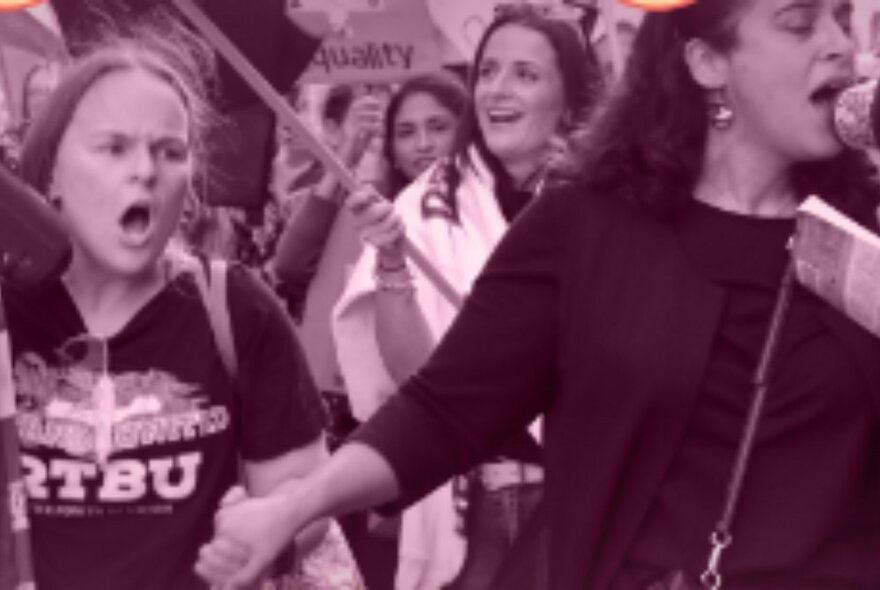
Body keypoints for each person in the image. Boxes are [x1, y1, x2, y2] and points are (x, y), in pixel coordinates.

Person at [198, 0, 880, 588]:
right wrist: (292, 508)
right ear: (707, 64)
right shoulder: (586, 227)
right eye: (800, 23)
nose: (841, 47)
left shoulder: (868, 232)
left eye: (844, 19)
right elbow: (445, 409)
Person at [6, 16, 328, 590]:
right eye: (113, 148)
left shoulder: (235, 307)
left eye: (169, 151)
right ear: (51, 171)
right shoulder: (8, 313)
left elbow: (305, 497)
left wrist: (274, 529)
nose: (145, 171)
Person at [330, 8, 598, 590]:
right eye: (490, 71)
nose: (497, 90)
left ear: (571, 102)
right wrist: (394, 262)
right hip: (476, 498)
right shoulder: (423, 207)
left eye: (525, 74)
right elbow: (417, 381)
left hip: (585, 497)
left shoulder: (612, 208)